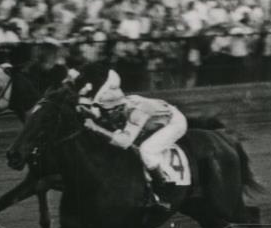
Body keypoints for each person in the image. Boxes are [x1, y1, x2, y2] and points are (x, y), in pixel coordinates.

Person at [76, 68, 187, 211]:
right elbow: (97, 114)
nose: (105, 116)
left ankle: (163, 191)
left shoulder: (135, 113)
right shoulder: (117, 106)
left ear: (117, 108)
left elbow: (124, 142)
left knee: (146, 150)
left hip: (175, 122)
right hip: (153, 118)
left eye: (106, 112)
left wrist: (96, 128)